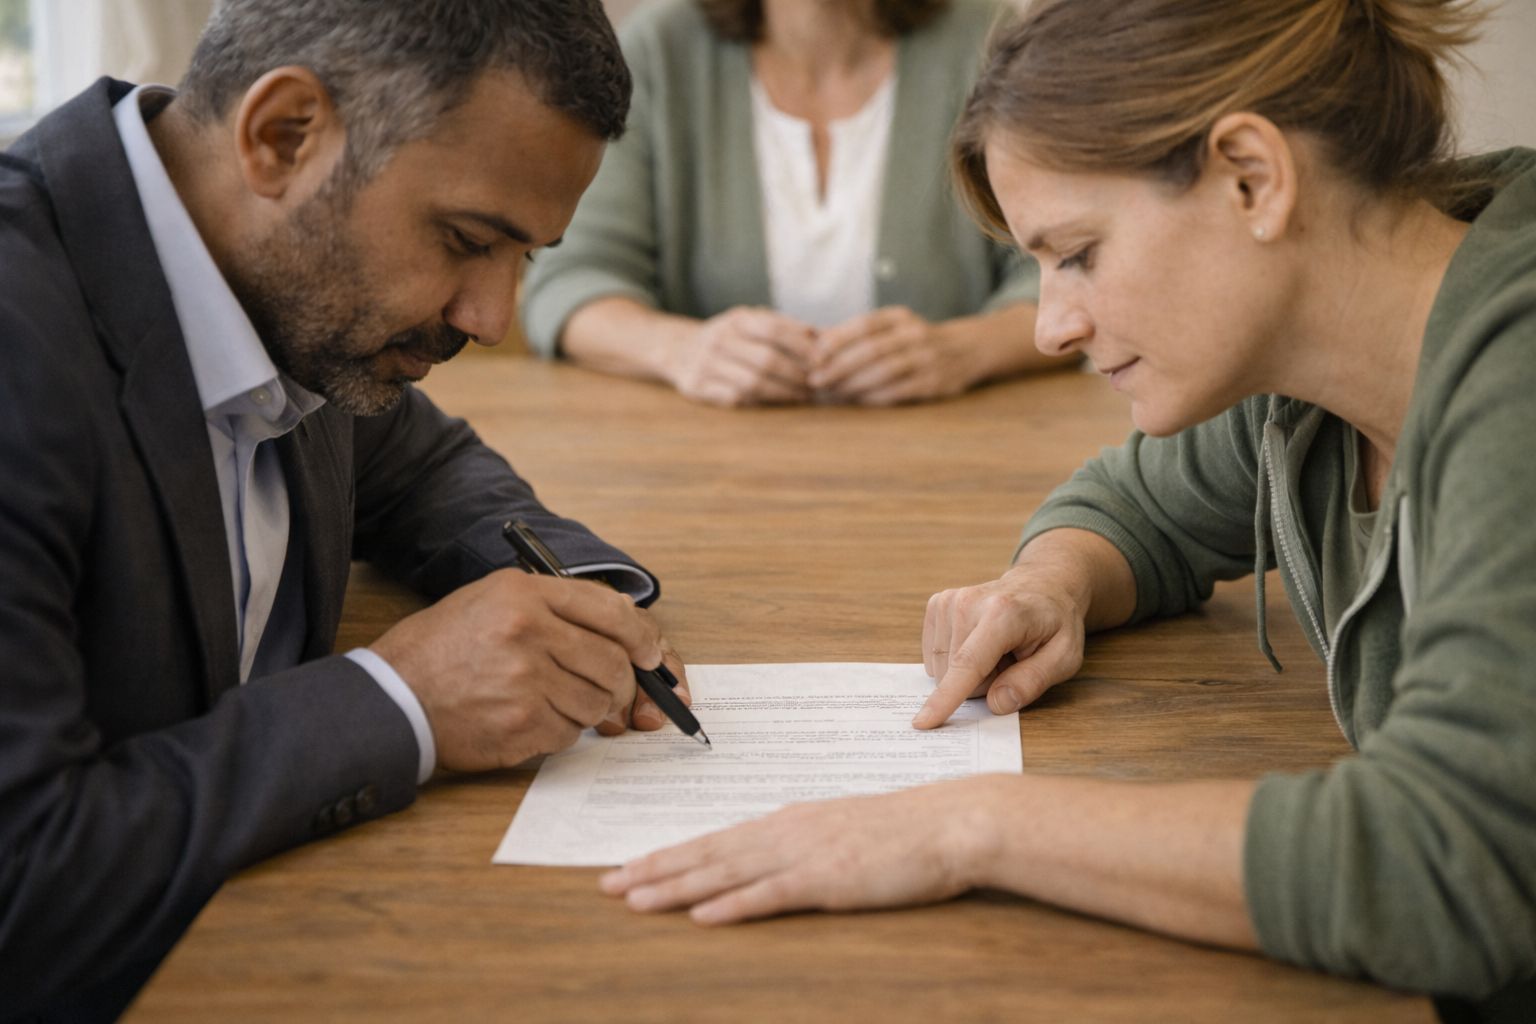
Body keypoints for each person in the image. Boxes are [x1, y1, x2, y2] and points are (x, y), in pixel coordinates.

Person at [598, 0, 1536, 1015]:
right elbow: (1139, 506)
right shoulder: (1306, 369)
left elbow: (1444, 862)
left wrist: (962, 827)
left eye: (1078, 253)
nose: (1050, 328)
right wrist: (1054, 582)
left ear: (1252, 179)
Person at [0, 1, 693, 1020]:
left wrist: (575, 600)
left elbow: (423, 466)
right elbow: (26, 883)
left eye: (527, 258)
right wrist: (405, 699)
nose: (491, 318)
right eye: (468, 239)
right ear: (284, 136)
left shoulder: (285, 289)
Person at [519, 0, 1073, 407]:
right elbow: (570, 282)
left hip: (955, 460)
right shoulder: (660, 49)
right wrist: (683, 351)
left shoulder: (986, 41)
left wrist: (964, 351)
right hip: (703, 469)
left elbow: (1068, 266)